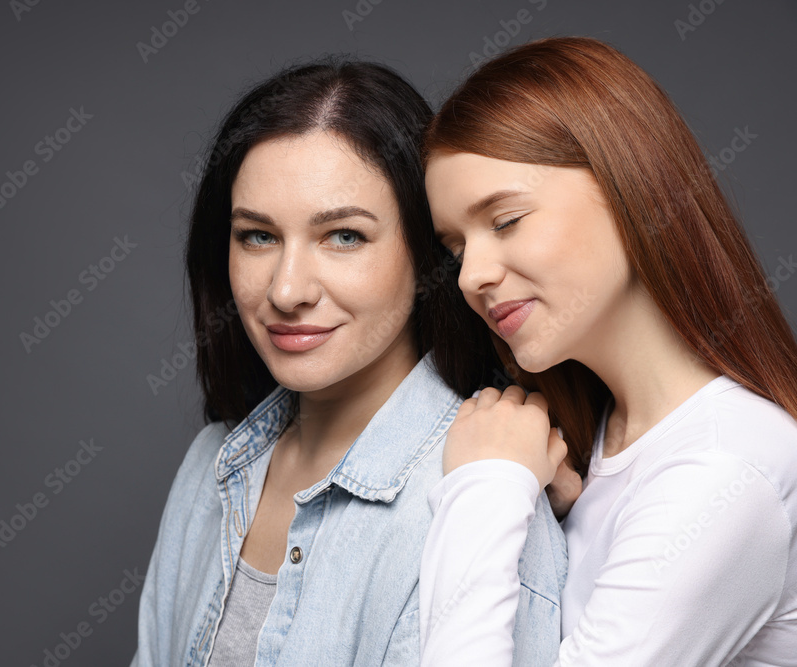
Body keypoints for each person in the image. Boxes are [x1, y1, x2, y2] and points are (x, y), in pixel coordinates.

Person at [131, 58, 567, 666]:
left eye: (344, 236)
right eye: (258, 236)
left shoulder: (483, 502)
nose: (287, 290)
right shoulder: (211, 465)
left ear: (428, 252)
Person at [418, 36, 797, 665]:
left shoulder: (723, 469)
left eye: (506, 221)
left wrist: (485, 486)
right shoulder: (600, 442)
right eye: (456, 250)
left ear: (629, 190)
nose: (471, 276)